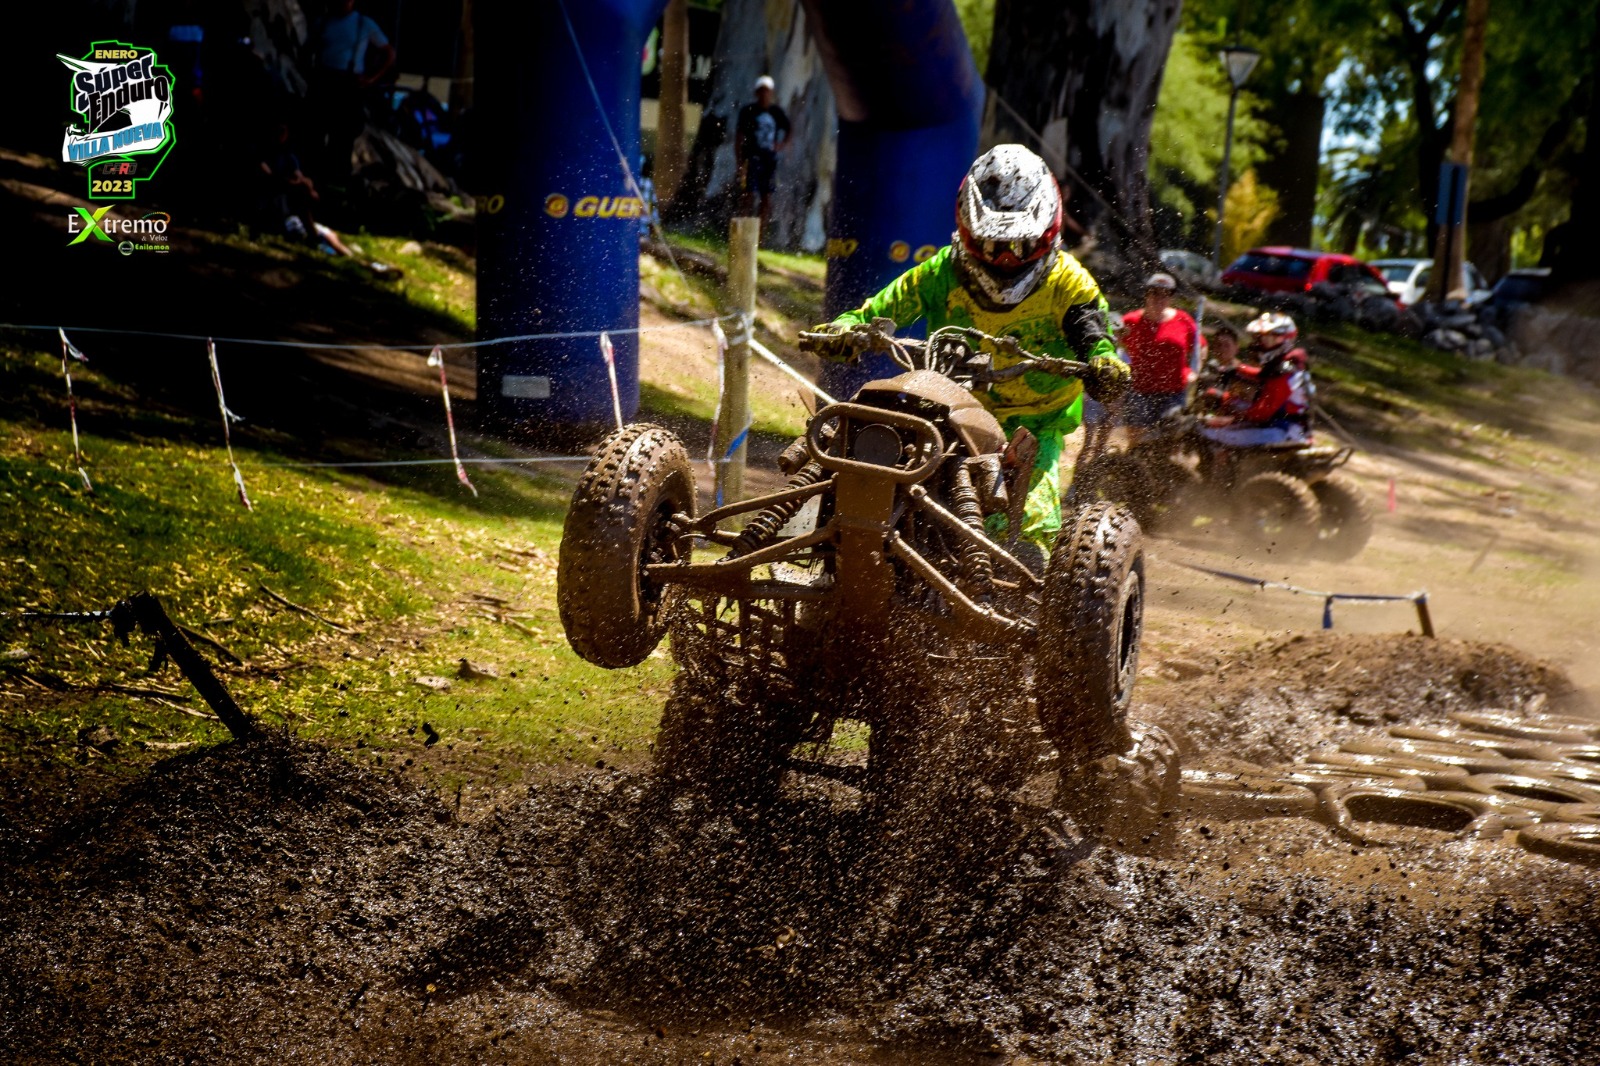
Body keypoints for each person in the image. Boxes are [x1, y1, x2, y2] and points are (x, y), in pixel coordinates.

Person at [809, 144, 1129, 553]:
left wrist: (1102, 361)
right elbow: (876, 311)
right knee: (865, 460)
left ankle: (1020, 591)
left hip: (1032, 427)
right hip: (946, 414)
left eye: (1021, 245)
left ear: (1047, 231)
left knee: (1022, 524)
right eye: (994, 246)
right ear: (968, 231)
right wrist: (846, 329)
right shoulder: (941, 272)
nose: (1008, 259)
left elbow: (1092, 331)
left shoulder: (1069, 283)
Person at [311, 0, 396, 182]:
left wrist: (372, 78)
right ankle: (316, 176)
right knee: (316, 131)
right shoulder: (323, 22)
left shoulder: (363, 23)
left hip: (348, 83)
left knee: (343, 136)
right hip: (324, 81)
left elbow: (389, 52)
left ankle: (338, 179)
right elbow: (309, 48)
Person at [1198, 312, 1313, 447]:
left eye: (1267, 339)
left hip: (1286, 431)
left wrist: (1226, 405)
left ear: (1283, 340)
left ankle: (1221, 466)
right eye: (1260, 338)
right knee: (1213, 428)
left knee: (1215, 433)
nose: (1261, 344)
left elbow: (1261, 413)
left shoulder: (1285, 372)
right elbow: (1263, 376)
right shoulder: (1283, 366)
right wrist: (1236, 368)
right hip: (1278, 425)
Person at [1118, 272, 1201, 443]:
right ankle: (1134, 467)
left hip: (1174, 391)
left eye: (1165, 294)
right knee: (1137, 441)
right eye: (1155, 292)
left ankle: (1169, 469)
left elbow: (1201, 347)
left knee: (1172, 439)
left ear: (1171, 297)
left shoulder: (1183, 320)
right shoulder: (1130, 321)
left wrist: (1194, 370)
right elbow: (1115, 345)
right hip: (1139, 389)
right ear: (1147, 294)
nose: (1159, 298)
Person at [735, 75, 790, 231]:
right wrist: (739, 161)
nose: (764, 94)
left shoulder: (776, 112)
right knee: (748, 195)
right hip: (751, 158)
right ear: (756, 93)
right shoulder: (748, 111)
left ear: (771, 93)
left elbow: (789, 128)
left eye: (767, 91)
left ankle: (760, 236)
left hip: (769, 160)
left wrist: (782, 144)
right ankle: (743, 231)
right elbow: (739, 137)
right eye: (761, 91)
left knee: (766, 197)